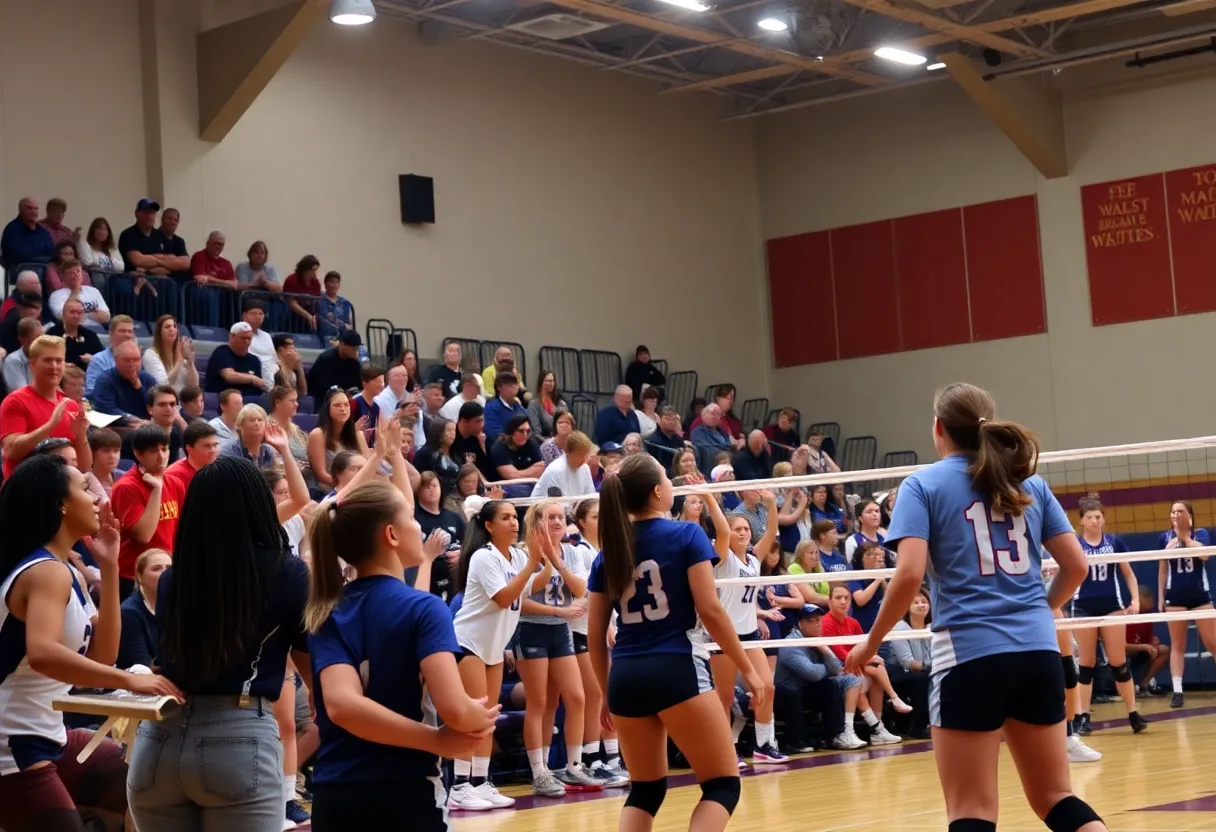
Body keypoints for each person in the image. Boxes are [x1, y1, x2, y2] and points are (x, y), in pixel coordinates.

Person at [845, 382, 1107, 832]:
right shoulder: (1030, 482)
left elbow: (908, 575)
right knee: (1056, 798)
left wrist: (870, 644)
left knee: (971, 810)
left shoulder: (921, 484)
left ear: (939, 428)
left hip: (967, 657)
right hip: (1038, 654)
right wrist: (1038, 611)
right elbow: (1076, 567)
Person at [127, 457, 313, 831]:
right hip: (238, 738)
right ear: (260, 504)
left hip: (157, 740)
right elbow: (313, 666)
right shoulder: (287, 571)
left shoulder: (171, 579)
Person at [0, 456, 182, 832]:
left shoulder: (66, 570)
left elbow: (104, 654)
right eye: (86, 489)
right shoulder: (45, 572)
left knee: (145, 782)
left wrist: (111, 567)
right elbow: (43, 653)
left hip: (48, 733)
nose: (99, 499)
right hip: (11, 742)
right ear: (61, 504)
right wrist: (128, 680)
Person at [304, 478, 499, 830]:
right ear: (392, 535)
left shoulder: (326, 613)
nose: (419, 527)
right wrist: (473, 719)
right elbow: (455, 710)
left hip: (336, 793)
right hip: (405, 792)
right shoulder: (425, 608)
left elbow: (342, 704)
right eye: (411, 517)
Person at [588, 453, 761, 832]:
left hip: (626, 677)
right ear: (656, 492)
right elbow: (711, 611)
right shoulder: (686, 534)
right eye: (667, 478)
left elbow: (595, 637)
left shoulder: (608, 553)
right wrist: (748, 668)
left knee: (645, 792)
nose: (671, 484)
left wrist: (606, 693)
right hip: (677, 666)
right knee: (722, 785)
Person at [448, 500, 551, 811]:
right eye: (505, 517)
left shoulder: (518, 555)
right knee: (472, 718)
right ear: (489, 525)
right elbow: (506, 598)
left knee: (487, 718)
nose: (514, 522)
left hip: (492, 647)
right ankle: (460, 785)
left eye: (515, 517)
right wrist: (532, 562)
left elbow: (531, 588)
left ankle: (480, 782)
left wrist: (546, 558)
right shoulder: (483, 556)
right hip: (469, 643)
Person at [515, 501, 602, 796]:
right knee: (541, 702)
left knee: (576, 698)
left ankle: (574, 766)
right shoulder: (521, 552)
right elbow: (518, 601)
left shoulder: (574, 551)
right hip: (529, 629)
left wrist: (555, 558)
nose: (556, 521)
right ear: (536, 521)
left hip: (559, 632)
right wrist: (558, 610)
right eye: (549, 517)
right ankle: (540, 772)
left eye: (559, 517)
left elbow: (582, 591)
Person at [712, 493, 788, 765]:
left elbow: (770, 531)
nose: (743, 532)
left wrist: (769, 503)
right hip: (722, 635)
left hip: (748, 633)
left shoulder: (755, 559)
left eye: (746, 528)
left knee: (767, 686)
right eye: (738, 529)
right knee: (723, 696)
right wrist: (711, 499)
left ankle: (763, 744)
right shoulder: (722, 558)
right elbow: (721, 531)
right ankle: (724, 751)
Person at [1071, 497, 1146, 736]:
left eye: (1098, 516)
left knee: (1118, 661)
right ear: (1081, 520)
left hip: (1112, 606)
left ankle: (1133, 713)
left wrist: (1134, 599)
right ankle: (1083, 717)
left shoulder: (1114, 542)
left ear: (1104, 518)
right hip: (1082, 607)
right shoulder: (1074, 544)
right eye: (1090, 517)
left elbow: (1129, 574)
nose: (1095, 520)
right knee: (1086, 664)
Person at [110, 424, 186, 600]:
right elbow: (144, 535)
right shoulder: (126, 487)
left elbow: (181, 529)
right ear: (138, 454)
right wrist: (156, 490)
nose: (161, 457)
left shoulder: (175, 483)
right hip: (134, 577)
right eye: (153, 451)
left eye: (164, 449)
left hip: (167, 571)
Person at [0, 335, 91, 479]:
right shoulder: (15, 401)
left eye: (59, 361)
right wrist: (50, 425)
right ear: (32, 365)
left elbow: (84, 467)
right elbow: (11, 451)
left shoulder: (71, 405)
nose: (54, 366)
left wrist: (80, 437)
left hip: (63, 493)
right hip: (25, 491)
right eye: (48, 360)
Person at [1157, 499, 1216, 709]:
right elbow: (1163, 569)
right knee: (1178, 645)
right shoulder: (1164, 538)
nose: (1176, 515)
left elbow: (1205, 555)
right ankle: (1178, 691)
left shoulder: (1201, 534)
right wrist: (1160, 597)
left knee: (1213, 642)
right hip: (1176, 597)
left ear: (1189, 516)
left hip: (1200, 596)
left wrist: (1184, 537)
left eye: (1180, 511)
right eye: (1173, 511)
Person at [117, 549, 172, 670]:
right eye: (156, 568)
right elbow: (142, 666)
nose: (164, 573)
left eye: (169, 568)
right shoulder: (129, 612)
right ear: (140, 576)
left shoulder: (176, 607)